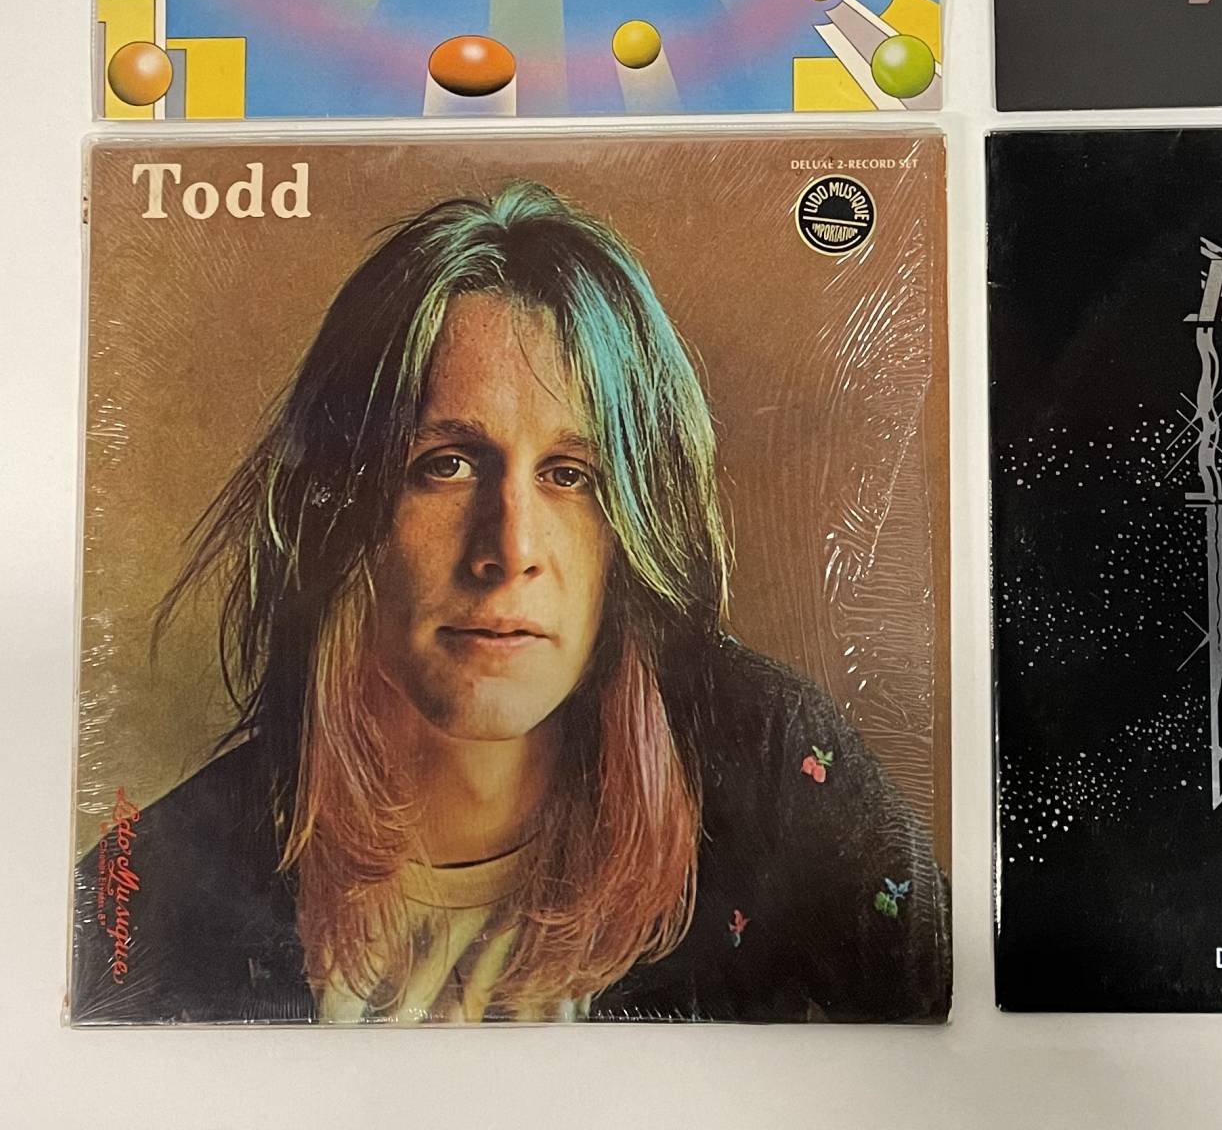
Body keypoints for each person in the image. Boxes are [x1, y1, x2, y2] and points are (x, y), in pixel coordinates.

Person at [72, 182, 948, 1024]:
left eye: (571, 476)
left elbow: (977, 1038)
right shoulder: (150, 889)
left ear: (632, 525)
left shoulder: (772, 765)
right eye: (445, 465)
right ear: (338, 505)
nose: (510, 550)